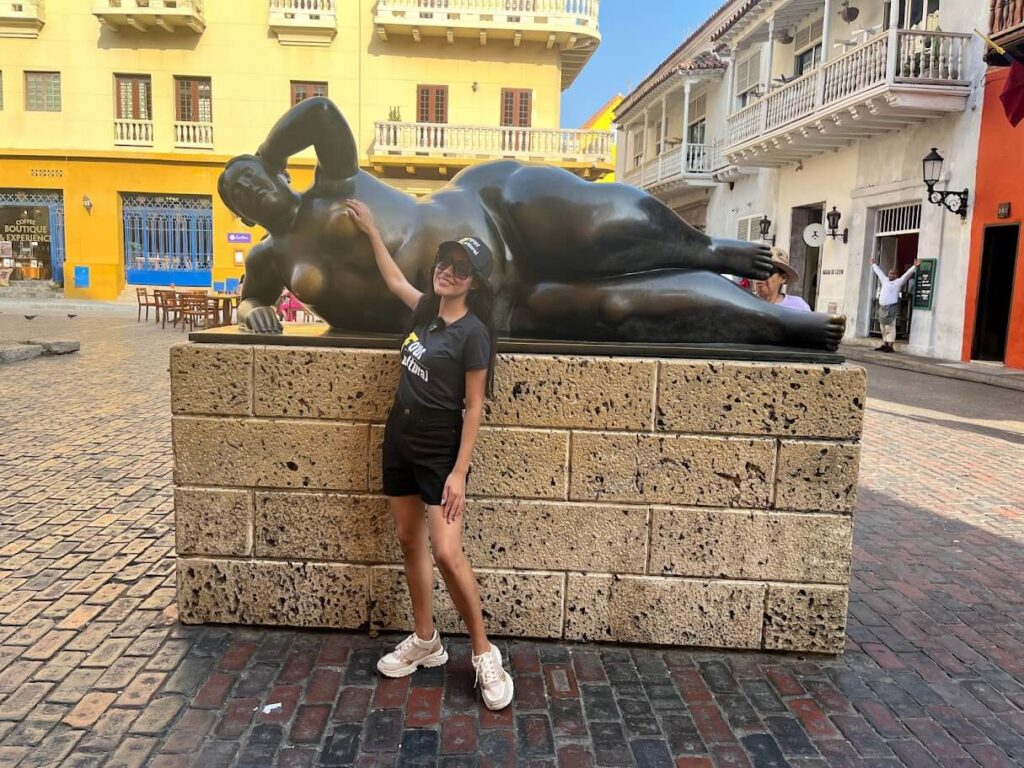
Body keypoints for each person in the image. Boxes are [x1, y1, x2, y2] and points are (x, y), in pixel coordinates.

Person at [217, 97, 846, 350]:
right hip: (489, 308)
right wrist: (254, 314)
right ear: (246, 213)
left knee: (601, 231)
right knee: (619, 311)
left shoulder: (334, 182)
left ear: (279, 173)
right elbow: (250, 303)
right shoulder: (268, 260)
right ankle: (775, 324)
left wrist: (267, 152)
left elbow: (321, 112)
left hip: (494, 214)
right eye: (238, 191)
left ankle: (709, 249)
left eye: (253, 172)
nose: (250, 186)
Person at [344, 198, 514, 712]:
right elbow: (396, 280)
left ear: (474, 284)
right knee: (407, 538)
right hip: (399, 439)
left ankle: (484, 651)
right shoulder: (425, 311)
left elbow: (475, 407)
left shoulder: (474, 335)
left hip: (440, 450)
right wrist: (373, 230)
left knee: (446, 551)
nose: (448, 270)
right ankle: (426, 641)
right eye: (445, 261)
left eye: (461, 269)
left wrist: (459, 472)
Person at [871, 257, 920, 352]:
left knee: (890, 327)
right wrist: (873, 264)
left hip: (891, 308)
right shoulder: (884, 280)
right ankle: (885, 344)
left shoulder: (898, 282)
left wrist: (914, 267)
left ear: (896, 275)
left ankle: (890, 346)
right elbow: (879, 272)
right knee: (883, 327)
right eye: (890, 273)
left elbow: (906, 275)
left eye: (894, 274)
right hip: (882, 308)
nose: (891, 275)